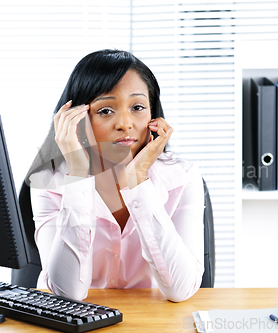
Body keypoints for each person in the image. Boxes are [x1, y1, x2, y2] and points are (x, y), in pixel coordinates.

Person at [26, 49, 204, 303]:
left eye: (138, 107)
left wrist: (138, 179)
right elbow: (68, 294)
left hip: (152, 324)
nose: (124, 123)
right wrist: (77, 172)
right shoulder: (48, 183)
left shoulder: (183, 177)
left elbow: (180, 290)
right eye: (106, 111)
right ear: (77, 119)